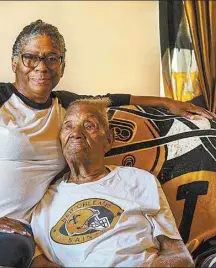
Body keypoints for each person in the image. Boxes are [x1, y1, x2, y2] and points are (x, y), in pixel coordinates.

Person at [0, 19, 210, 267]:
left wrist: (166, 102)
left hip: (9, 230)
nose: (42, 66)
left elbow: (110, 99)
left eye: (52, 58)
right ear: (14, 62)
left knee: (14, 252)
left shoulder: (66, 108)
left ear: (63, 65)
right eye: (30, 57)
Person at [31, 98, 194, 267]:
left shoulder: (138, 181)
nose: (76, 133)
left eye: (89, 126)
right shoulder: (44, 203)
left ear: (108, 140)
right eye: (68, 126)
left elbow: (178, 255)